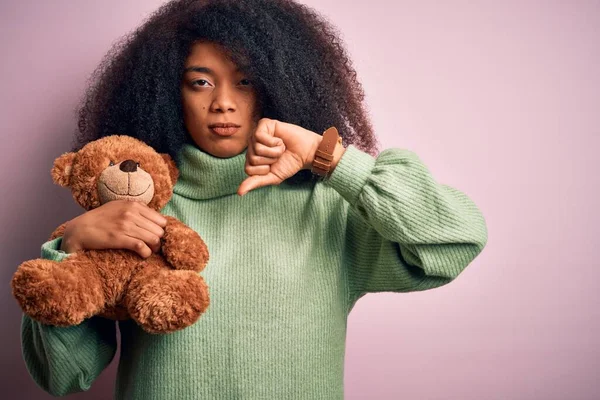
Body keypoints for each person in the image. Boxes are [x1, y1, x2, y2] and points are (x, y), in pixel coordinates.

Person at [19, 0, 488, 399]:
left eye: (245, 81)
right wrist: (70, 250)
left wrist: (332, 160)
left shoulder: (326, 208)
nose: (223, 102)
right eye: (200, 81)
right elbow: (61, 376)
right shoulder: (133, 211)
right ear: (167, 91)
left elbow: (456, 242)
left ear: (278, 85)